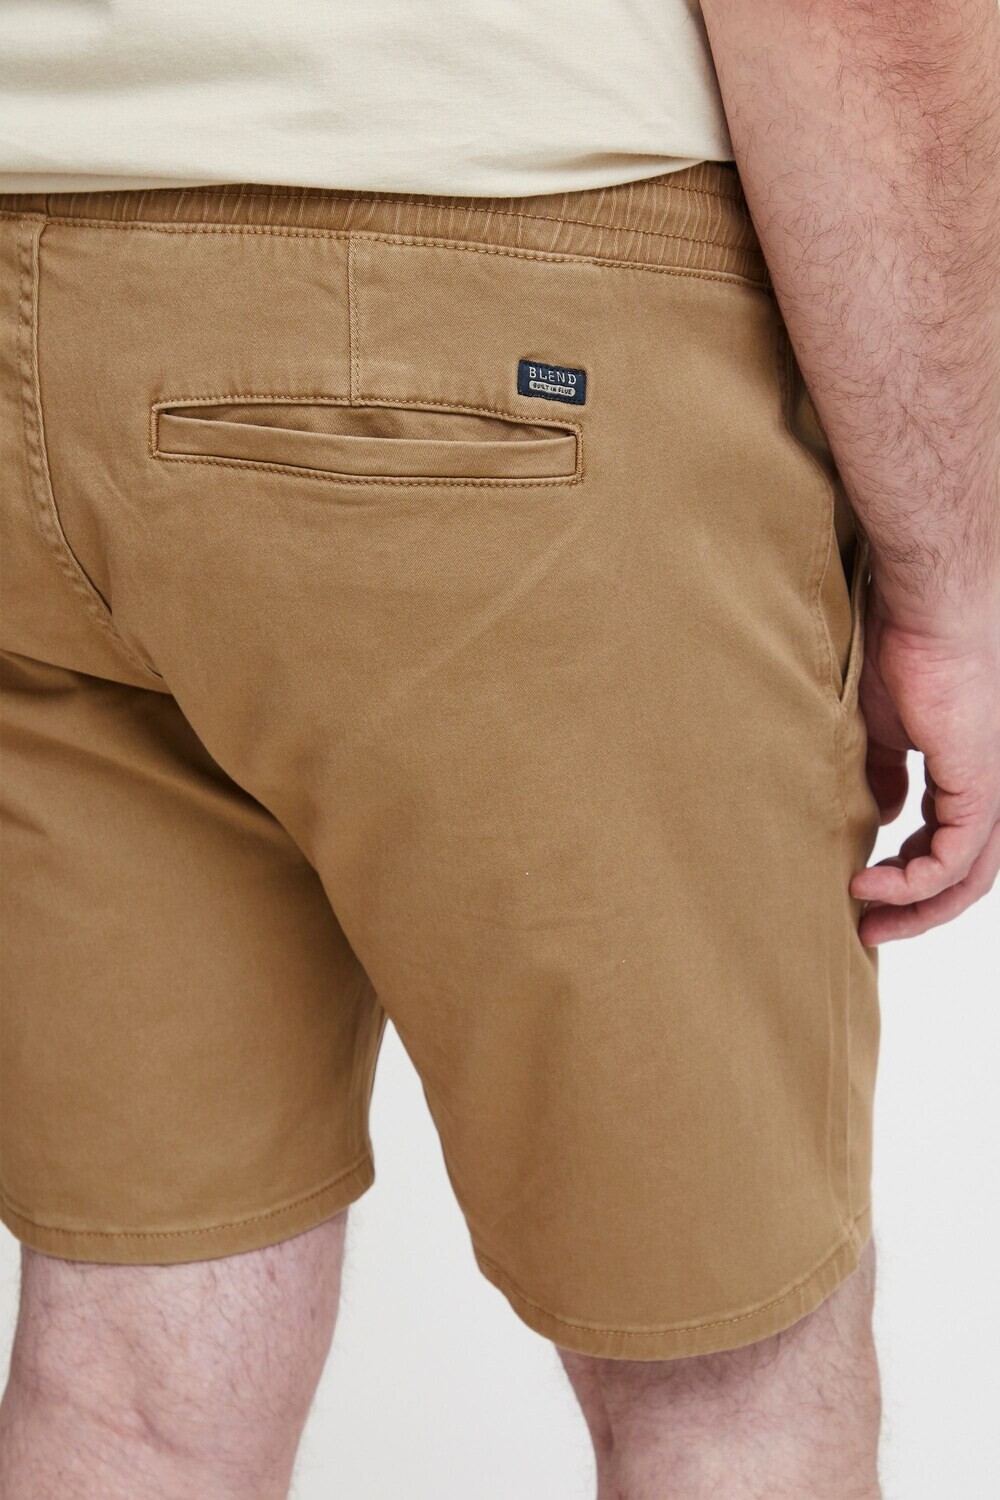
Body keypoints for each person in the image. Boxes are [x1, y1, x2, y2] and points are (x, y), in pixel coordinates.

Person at [0, 2, 996, 1496]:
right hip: (494, 303)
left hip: (39, 293)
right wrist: (957, 583)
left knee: (131, 1377)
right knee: (723, 1383)